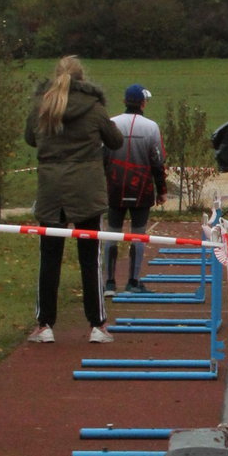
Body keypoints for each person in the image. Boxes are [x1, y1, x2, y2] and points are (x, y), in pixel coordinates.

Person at [24, 56, 123, 344]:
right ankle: (97, 325)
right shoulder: (94, 108)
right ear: (83, 79)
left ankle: (44, 325)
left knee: (49, 258)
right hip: (86, 189)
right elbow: (115, 140)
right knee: (90, 258)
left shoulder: (42, 106)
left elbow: (30, 138)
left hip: (51, 189)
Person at [104, 83, 166, 293]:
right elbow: (158, 162)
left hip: (114, 188)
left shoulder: (111, 123)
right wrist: (162, 189)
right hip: (142, 189)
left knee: (112, 234)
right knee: (138, 235)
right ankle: (133, 281)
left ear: (124, 101)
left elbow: (102, 157)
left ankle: (109, 282)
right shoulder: (151, 127)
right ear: (143, 103)